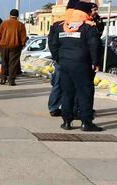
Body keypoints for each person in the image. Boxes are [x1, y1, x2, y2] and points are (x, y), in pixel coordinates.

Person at [48, 0, 103, 131]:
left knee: (67, 92)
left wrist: (59, 59)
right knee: (85, 93)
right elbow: (95, 46)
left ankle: (66, 121)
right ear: (84, 13)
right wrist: (95, 62)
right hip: (82, 65)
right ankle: (86, 122)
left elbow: (53, 45)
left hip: (65, 64)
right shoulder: (88, 27)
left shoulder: (62, 26)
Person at [0, 9, 27, 86]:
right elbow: (23, 37)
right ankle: (11, 80)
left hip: (3, 45)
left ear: (9, 15)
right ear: (17, 16)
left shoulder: (3, 23)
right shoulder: (20, 25)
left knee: (4, 62)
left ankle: (3, 78)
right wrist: (22, 45)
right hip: (15, 46)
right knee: (13, 63)